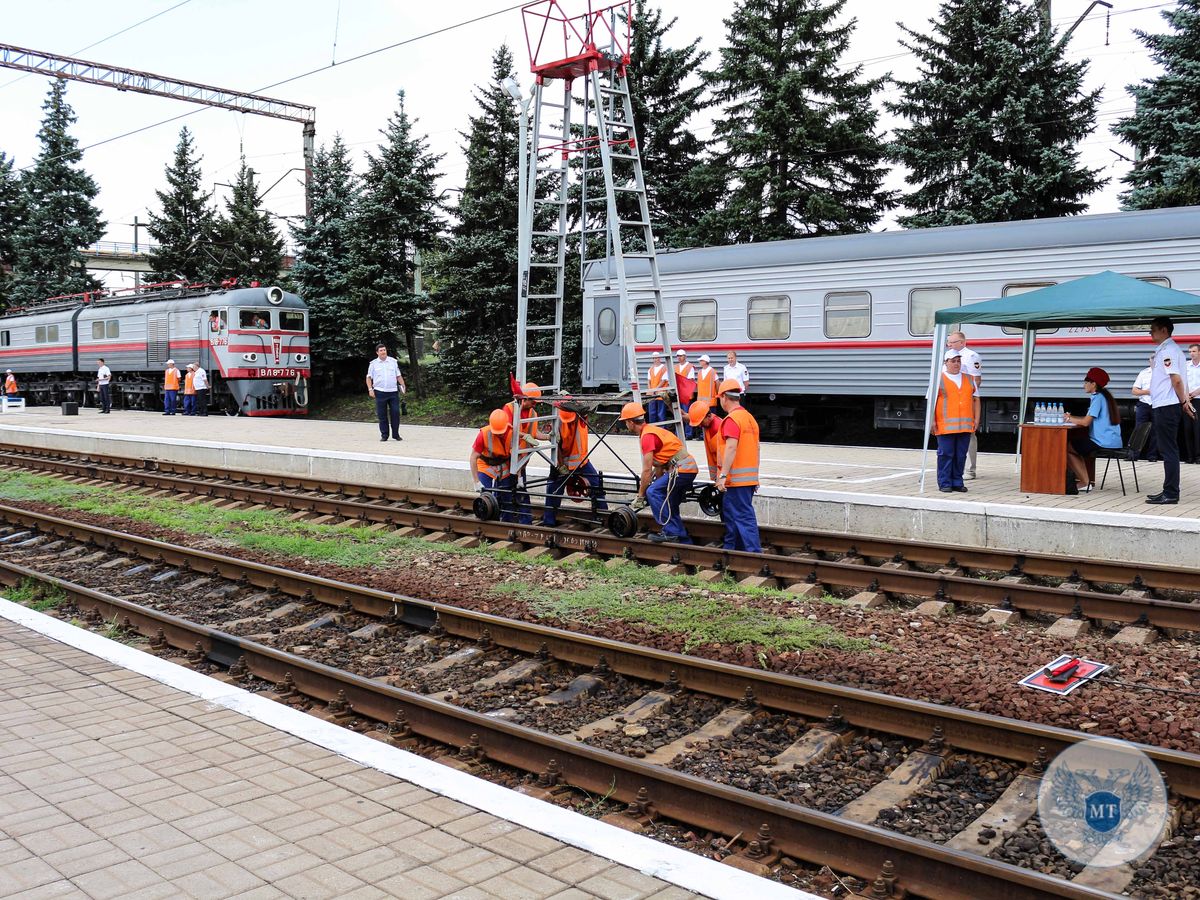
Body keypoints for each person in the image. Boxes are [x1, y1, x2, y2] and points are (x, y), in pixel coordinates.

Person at [620, 401, 698, 543]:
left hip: (682, 469)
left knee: (653, 492)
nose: (626, 425)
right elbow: (660, 465)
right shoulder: (651, 430)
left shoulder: (647, 436)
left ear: (631, 422)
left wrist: (641, 495)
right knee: (669, 502)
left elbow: (646, 470)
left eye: (625, 422)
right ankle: (683, 539)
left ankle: (671, 532)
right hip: (687, 469)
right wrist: (658, 480)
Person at [1147, 317, 1196, 505]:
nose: (1150, 333)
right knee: (1167, 449)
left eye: (1153, 329)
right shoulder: (1167, 350)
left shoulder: (1168, 351)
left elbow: (1176, 380)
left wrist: (1184, 401)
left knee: (1169, 450)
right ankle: (1168, 490)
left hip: (1166, 406)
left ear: (1164, 330)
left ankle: (1171, 493)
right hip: (1165, 405)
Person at [715, 378, 762, 553]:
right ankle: (733, 551)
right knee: (733, 517)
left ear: (724, 397)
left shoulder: (732, 420)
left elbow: (732, 448)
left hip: (735, 480)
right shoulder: (749, 419)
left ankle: (753, 554)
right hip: (747, 480)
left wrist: (722, 476)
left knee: (742, 517)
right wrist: (755, 478)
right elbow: (756, 449)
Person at [542, 404, 607, 527]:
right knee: (553, 490)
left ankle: (603, 518)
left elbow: (587, 409)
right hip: (563, 464)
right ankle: (549, 522)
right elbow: (556, 447)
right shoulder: (557, 422)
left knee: (596, 486)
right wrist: (561, 465)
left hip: (581, 462)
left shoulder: (581, 417)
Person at [1064, 367, 1123, 493]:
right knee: (1079, 445)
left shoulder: (1097, 398)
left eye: (1086, 382)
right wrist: (1073, 418)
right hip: (1113, 441)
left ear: (1093, 384)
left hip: (1102, 442)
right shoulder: (1105, 396)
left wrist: (1069, 419)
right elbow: (1088, 419)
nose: (1084, 385)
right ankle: (1086, 481)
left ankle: (1085, 482)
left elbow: (1085, 422)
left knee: (1068, 447)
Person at [933, 350, 979, 493]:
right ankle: (945, 483)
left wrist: (977, 419)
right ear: (946, 363)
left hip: (964, 426)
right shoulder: (937, 380)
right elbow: (931, 403)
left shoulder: (969, 379)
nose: (956, 364)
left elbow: (976, 400)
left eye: (958, 361)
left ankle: (957, 482)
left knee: (960, 455)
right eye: (953, 361)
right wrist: (932, 422)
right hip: (945, 426)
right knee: (946, 455)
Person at [469, 410, 518, 522]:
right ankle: (487, 518)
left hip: (503, 465)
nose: (499, 434)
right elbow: (473, 457)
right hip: (485, 464)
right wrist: (476, 481)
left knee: (506, 494)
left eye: (502, 432)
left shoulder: (513, 433)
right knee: (486, 494)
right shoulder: (484, 434)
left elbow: (518, 456)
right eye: (497, 432)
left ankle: (506, 521)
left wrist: (519, 477)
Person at [946, 331, 983, 479]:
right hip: (951, 402)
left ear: (962, 342)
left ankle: (970, 470)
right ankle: (954, 467)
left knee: (969, 435)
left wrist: (966, 396)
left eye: (952, 342)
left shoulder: (971, 356)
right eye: (948, 342)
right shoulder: (948, 356)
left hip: (966, 401)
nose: (949, 345)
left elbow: (977, 380)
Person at [366, 343, 406, 442]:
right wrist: (370, 389)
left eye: (384, 350)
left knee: (395, 413)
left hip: (393, 392)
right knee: (382, 415)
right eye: (381, 350)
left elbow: (398, 376)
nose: (383, 352)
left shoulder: (393, 362)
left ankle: (396, 435)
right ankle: (384, 435)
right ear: (377, 352)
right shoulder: (373, 364)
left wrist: (403, 385)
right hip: (380, 392)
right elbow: (368, 378)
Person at [1131, 353, 1158, 462]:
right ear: (1150, 362)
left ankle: (1152, 456)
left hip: (1157, 404)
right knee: (1139, 429)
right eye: (1152, 361)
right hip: (1144, 404)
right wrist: (1147, 392)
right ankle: (1134, 454)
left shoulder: (1165, 374)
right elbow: (1134, 390)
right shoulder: (1144, 373)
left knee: (1156, 431)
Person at [688, 401, 725, 481]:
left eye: (701, 422)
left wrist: (720, 478)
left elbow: (722, 458)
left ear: (708, 416)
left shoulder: (716, 429)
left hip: (722, 475)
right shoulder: (707, 422)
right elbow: (685, 417)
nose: (700, 425)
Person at [674, 349, 696, 437]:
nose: (679, 357)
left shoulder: (690, 367)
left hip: (686, 395)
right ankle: (679, 433)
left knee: (686, 414)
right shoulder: (675, 367)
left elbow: (690, 380)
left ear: (685, 356)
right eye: (678, 356)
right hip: (678, 394)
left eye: (681, 356)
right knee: (678, 413)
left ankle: (688, 433)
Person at [1186, 343, 1200, 464]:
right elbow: (1182, 381)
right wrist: (1186, 395)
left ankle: (1198, 456)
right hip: (1187, 400)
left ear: (1199, 352)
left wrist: (1195, 393)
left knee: (1198, 429)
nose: (1191, 353)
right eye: (1190, 351)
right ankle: (1190, 457)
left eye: (1194, 351)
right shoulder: (1186, 366)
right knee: (1188, 429)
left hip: (1198, 400)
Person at [646, 352, 669, 425]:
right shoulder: (650, 369)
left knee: (661, 414)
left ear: (659, 358)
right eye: (653, 358)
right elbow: (648, 381)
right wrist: (650, 390)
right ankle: (653, 430)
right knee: (652, 414)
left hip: (661, 395)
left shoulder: (664, 368)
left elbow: (664, 380)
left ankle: (662, 430)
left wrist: (655, 390)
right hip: (652, 395)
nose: (655, 359)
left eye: (656, 358)